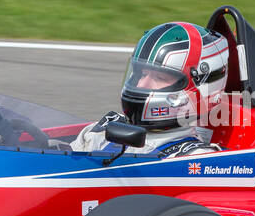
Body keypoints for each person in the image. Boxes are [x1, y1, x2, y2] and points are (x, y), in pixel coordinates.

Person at [71, 22, 229, 157]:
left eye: (159, 78)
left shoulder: (192, 158)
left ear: (199, 87)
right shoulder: (100, 131)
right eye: (142, 74)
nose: (141, 85)